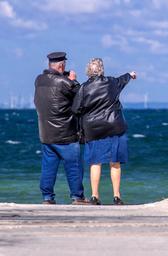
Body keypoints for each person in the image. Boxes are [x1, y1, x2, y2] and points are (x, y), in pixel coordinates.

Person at [72, 58, 136, 205]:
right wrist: (130, 75)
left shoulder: (83, 88)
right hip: (114, 126)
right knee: (115, 162)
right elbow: (123, 79)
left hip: (93, 129)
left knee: (95, 162)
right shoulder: (111, 82)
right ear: (101, 69)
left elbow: (75, 109)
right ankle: (116, 196)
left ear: (89, 70)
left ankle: (94, 196)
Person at [34, 52, 88, 205]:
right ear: (62, 65)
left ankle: (47, 197)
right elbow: (80, 95)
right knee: (74, 166)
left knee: (48, 167)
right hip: (65, 133)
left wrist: (64, 77)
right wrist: (73, 80)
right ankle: (77, 197)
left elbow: (53, 85)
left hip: (46, 133)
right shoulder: (65, 83)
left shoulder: (39, 80)